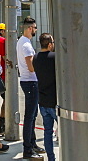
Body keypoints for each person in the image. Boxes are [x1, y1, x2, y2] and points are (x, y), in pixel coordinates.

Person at [17, 17, 44, 159]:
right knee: (30, 116)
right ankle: (28, 148)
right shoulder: (26, 45)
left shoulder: (22, 42)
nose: (35, 30)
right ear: (29, 28)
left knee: (32, 116)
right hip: (30, 82)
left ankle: (32, 144)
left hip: (28, 82)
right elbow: (31, 67)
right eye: (34, 27)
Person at [34, 33, 57, 161]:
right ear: (49, 44)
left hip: (42, 101)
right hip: (55, 101)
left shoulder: (35, 58)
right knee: (65, 133)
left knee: (48, 132)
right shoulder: (54, 57)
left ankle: (51, 158)